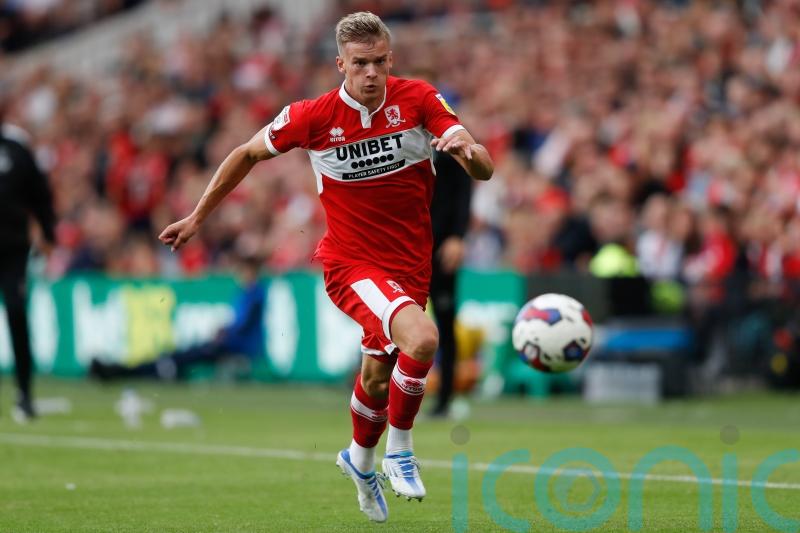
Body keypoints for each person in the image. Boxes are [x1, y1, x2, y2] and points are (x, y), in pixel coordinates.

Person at [158, 12, 493, 523]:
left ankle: (359, 462)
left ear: (390, 59)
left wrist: (466, 152)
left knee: (378, 379)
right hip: (351, 265)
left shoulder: (420, 99)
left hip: (410, 266)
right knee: (422, 340)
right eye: (360, 63)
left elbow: (483, 164)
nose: (372, 74)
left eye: (380, 62)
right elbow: (246, 153)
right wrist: (198, 216)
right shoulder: (311, 116)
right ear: (341, 64)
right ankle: (399, 451)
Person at [88, 252, 265, 381]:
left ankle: (121, 372)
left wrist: (224, 331)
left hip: (237, 347)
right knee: (180, 355)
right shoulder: (246, 292)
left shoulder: (255, 294)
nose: (241, 274)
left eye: (244, 270)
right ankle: (121, 370)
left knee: (185, 355)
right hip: (227, 344)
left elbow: (242, 325)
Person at [0, 84, 56, 423]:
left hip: (12, 250)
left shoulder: (17, 146)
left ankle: (25, 393)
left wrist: (48, 233)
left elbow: (40, 193)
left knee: (17, 313)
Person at [429, 150, 472, 417]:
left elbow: (464, 189)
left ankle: (445, 398)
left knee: (445, 322)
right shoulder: (396, 138)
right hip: (403, 246)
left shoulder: (446, 147)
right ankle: (381, 394)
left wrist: (457, 235)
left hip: (440, 247)